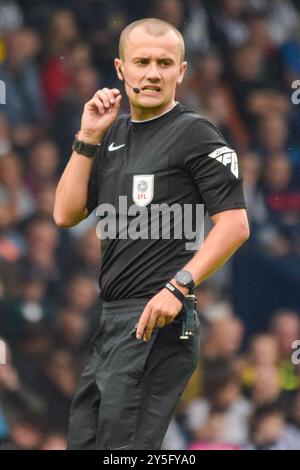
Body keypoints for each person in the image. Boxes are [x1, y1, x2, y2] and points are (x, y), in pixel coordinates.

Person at [53, 18, 249, 450]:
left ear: (181, 71)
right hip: (111, 321)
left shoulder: (195, 133)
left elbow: (235, 225)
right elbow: (65, 213)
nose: (153, 73)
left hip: (158, 319)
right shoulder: (112, 134)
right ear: (121, 69)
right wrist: (87, 136)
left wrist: (178, 287)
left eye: (165, 63)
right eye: (142, 62)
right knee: (85, 443)